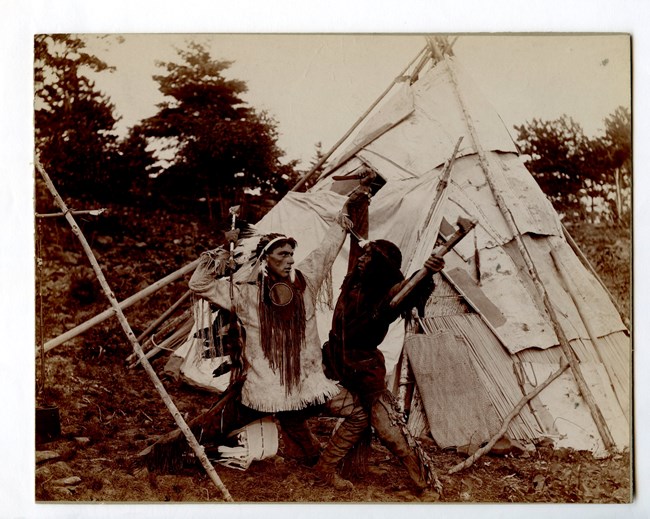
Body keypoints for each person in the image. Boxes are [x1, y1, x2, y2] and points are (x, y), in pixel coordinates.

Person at [188, 183, 370, 464]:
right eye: (282, 254)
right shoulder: (246, 293)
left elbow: (326, 250)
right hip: (265, 392)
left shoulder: (305, 281)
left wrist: (344, 217)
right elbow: (198, 284)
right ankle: (172, 451)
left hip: (307, 387)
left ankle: (322, 466)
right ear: (264, 260)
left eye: (291, 254)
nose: (290, 259)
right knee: (205, 430)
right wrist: (222, 254)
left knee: (355, 413)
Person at [315, 188, 445, 496]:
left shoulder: (385, 296)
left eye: (371, 257)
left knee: (389, 430)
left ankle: (427, 486)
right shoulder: (352, 282)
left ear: (382, 266)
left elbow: (407, 287)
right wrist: (355, 205)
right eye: (365, 254)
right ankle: (321, 464)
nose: (363, 260)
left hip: (364, 371)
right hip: (334, 363)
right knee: (293, 403)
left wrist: (427, 272)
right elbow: (353, 244)